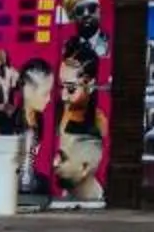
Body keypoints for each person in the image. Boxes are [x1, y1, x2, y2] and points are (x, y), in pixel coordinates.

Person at [36, 44, 108, 206]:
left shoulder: (100, 121)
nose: (63, 96)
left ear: (90, 84)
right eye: (61, 87)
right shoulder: (51, 113)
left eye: (70, 89)